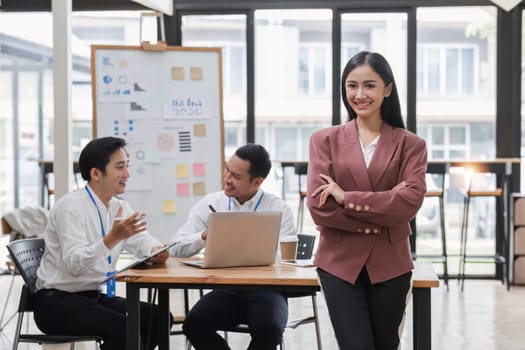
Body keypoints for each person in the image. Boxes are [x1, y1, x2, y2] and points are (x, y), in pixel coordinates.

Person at [306, 51, 427, 350]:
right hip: (339, 264)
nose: (360, 94)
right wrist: (384, 209)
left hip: (391, 263)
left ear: (387, 89)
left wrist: (347, 197)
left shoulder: (411, 144)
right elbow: (320, 208)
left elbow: (409, 202)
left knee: (386, 345)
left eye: (369, 85)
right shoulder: (324, 140)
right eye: (352, 86)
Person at [33, 136, 171, 350]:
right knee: (125, 329)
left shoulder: (118, 206)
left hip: (93, 296)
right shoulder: (70, 207)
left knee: (159, 318)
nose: (127, 174)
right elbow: (74, 265)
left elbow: (141, 239)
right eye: (119, 167)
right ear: (96, 173)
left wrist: (155, 250)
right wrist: (112, 238)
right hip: (57, 303)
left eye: (127, 166)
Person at [170, 143, 296, 350]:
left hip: (267, 291)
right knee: (194, 324)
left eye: (236, 176)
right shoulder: (211, 203)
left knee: (269, 327)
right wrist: (203, 236)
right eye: (227, 169)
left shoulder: (279, 209)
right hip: (226, 290)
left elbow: (287, 262)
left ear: (257, 182)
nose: (227, 179)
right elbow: (175, 247)